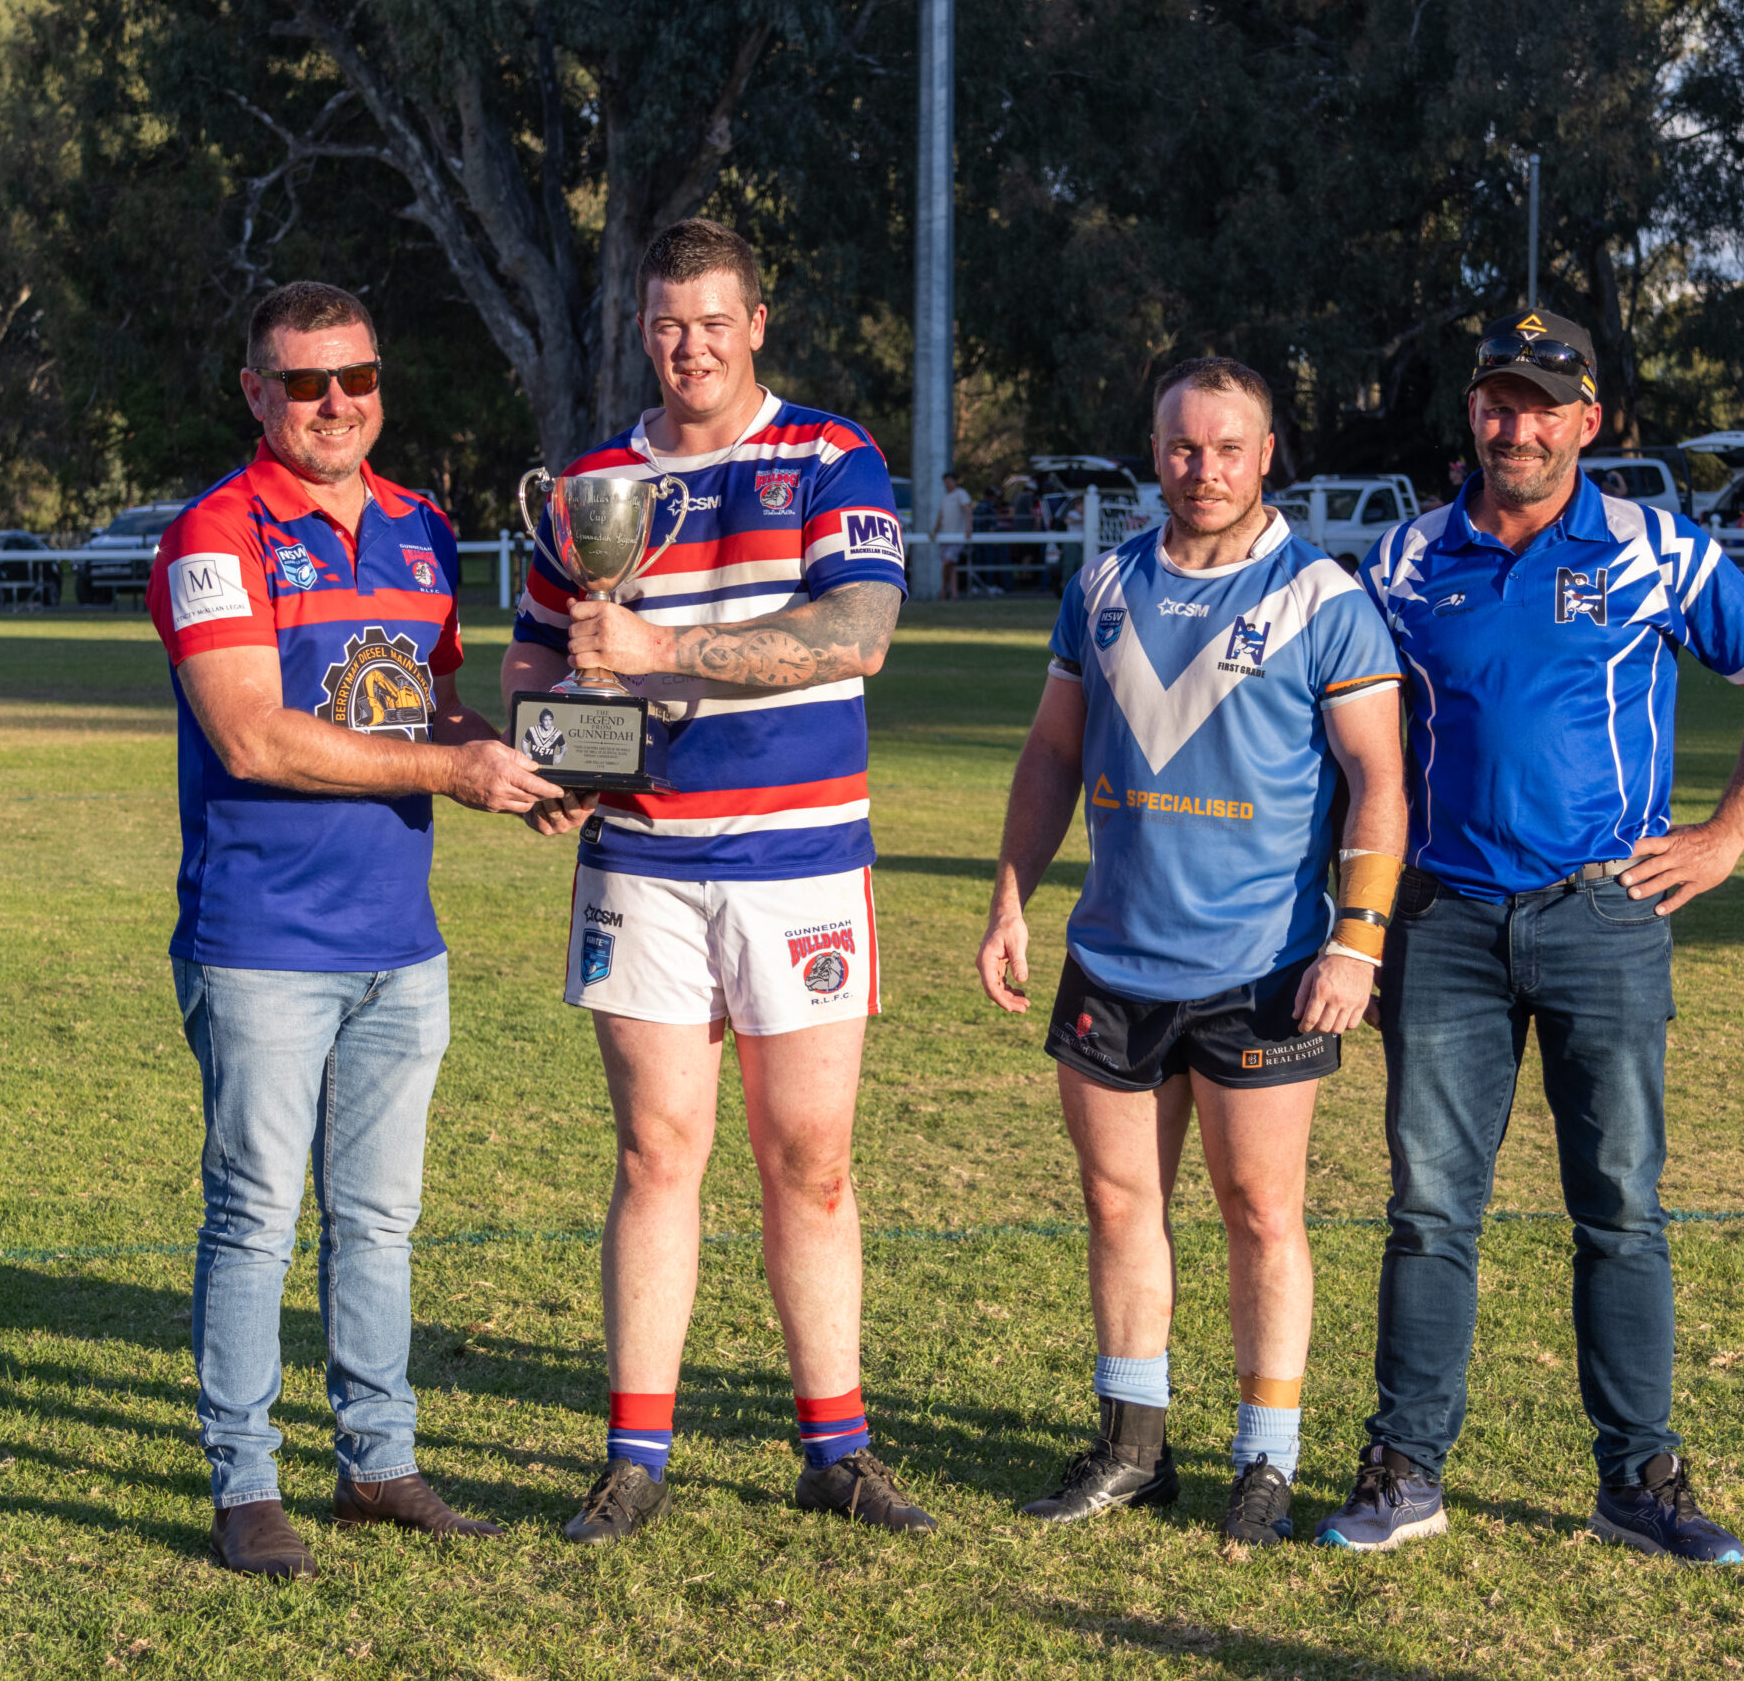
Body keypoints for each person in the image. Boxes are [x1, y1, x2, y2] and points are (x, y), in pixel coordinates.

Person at [1315, 310, 1744, 1563]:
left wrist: (1723, 839)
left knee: (1621, 1208)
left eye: (1545, 404)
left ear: (1588, 422)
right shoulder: (1403, 559)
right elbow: (1352, 752)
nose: (1518, 425)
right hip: (1440, 924)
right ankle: (1405, 1470)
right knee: (1431, 1208)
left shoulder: (1656, 547)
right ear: (1471, 417)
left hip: (1606, 915)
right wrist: (1359, 926)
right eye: (1498, 401)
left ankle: (1637, 1481)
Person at [499, 218, 930, 1544]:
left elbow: (858, 634)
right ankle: (636, 1452)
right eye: (668, 322)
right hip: (645, 860)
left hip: (800, 861)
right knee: (656, 1153)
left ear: (757, 325)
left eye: (714, 320)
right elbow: (531, 663)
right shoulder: (593, 481)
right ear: (644, 329)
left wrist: (662, 644)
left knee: (808, 1161)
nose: (691, 345)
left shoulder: (828, 453)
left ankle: (835, 1445)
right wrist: (554, 756)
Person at [148, 280, 560, 1578]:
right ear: (257, 394)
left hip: (401, 942)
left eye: (359, 378)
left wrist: (537, 759)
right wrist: (453, 775)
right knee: (256, 1216)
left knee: (380, 1221)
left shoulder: (422, 526)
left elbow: (427, 709)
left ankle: (378, 1462)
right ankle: (246, 1482)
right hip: (263, 938)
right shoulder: (214, 535)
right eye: (307, 382)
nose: (339, 405)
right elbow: (253, 734)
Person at [977, 357, 1406, 1548]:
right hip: (1112, 961)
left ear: (1268, 454)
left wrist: (1356, 944)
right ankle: (1132, 1447)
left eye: (1227, 448)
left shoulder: (1325, 599)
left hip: (1263, 969)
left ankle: (1264, 1463)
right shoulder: (1104, 585)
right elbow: (1051, 757)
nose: (1201, 468)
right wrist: (1011, 898)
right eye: (1180, 445)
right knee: (1120, 1205)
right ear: (1152, 448)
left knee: (1260, 1212)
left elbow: (1380, 781)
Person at [935, 469, 974, 600]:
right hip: (945, 537)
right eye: (946, 482)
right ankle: (954, 593)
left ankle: (943, 590)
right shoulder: (945, 497)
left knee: (948, 562)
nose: (948, 484)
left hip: (957, 536)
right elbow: (941, 516)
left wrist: (969, 527)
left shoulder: (961, 494)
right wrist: (935, 531)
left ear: (956, 482)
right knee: (951, 565)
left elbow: (967, 510)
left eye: (950, 481)